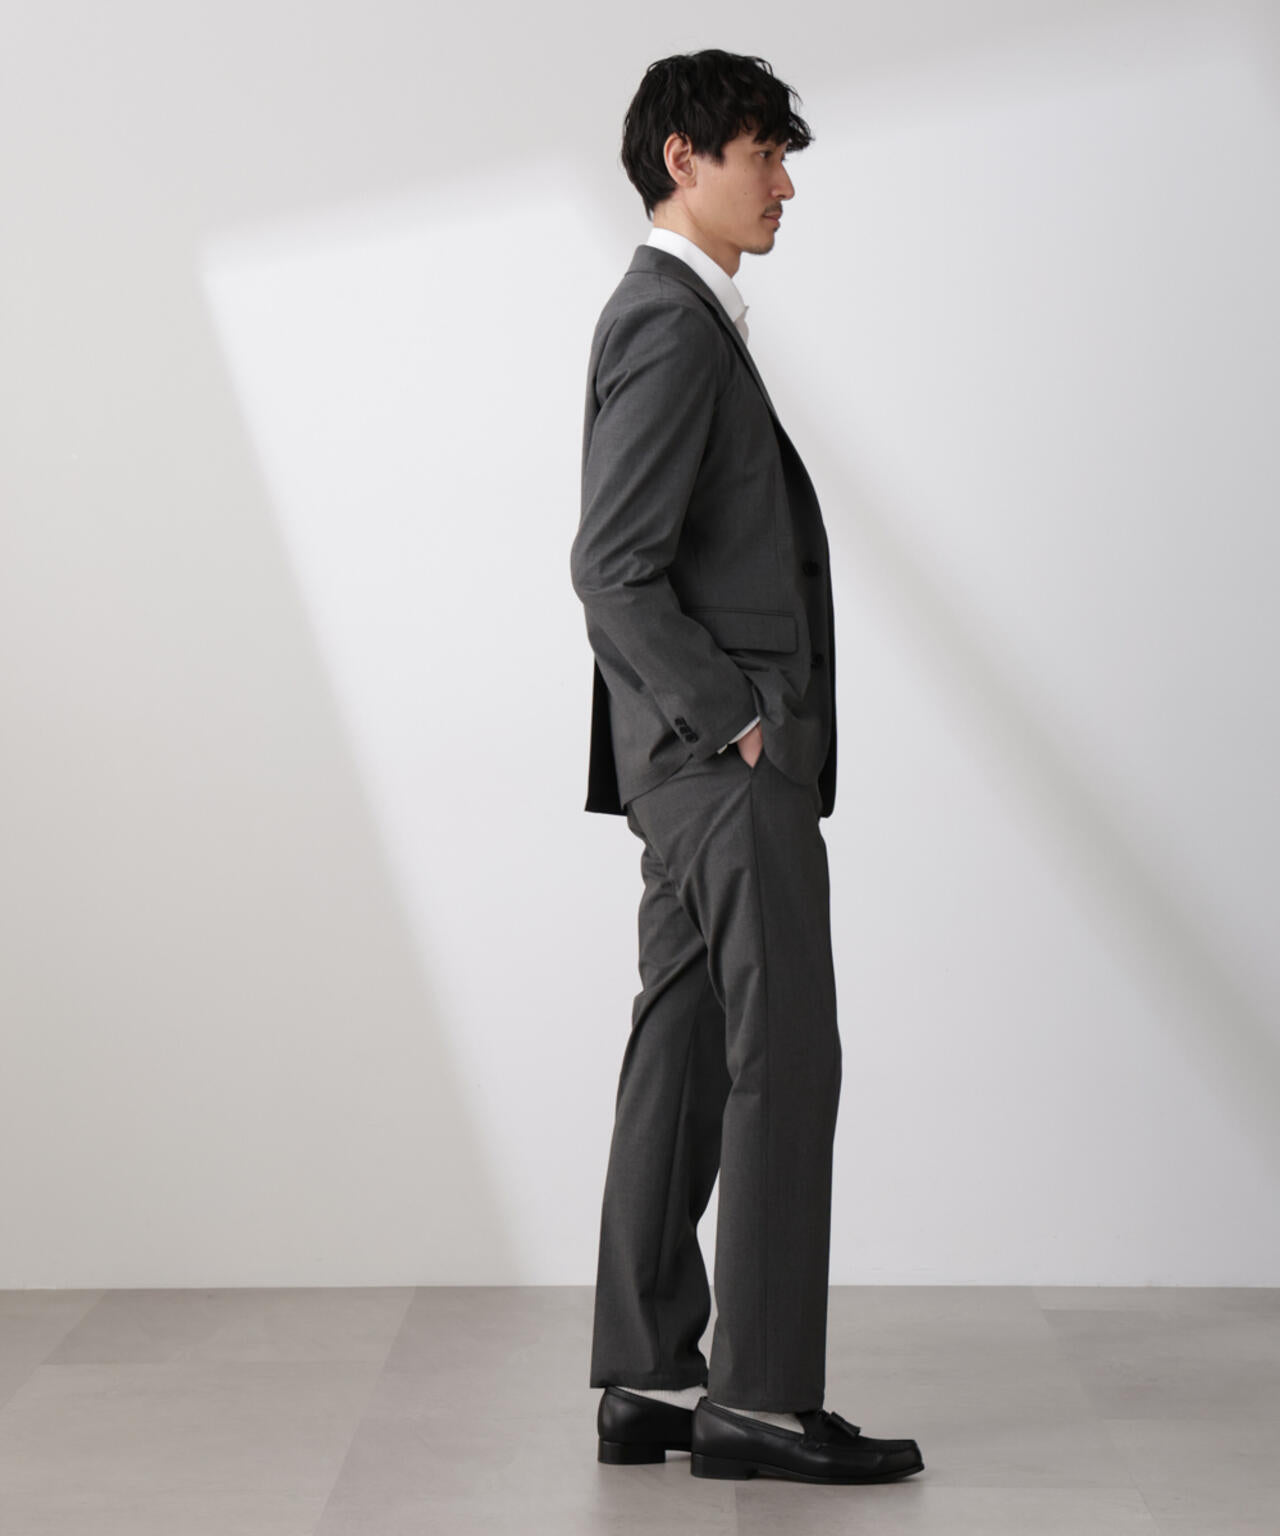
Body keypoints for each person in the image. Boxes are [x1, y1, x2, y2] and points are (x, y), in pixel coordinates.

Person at [569, 48, 924, 1485]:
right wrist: (740, 719)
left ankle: (651, 1372)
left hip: (685, 769)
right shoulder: (671, 322)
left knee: (684, 1048)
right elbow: (612, 567)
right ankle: (762, 1399)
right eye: (763, 153)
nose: (785, 183)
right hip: (722, 767)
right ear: (684, 159)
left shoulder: (673, 316)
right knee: (785, 1053)